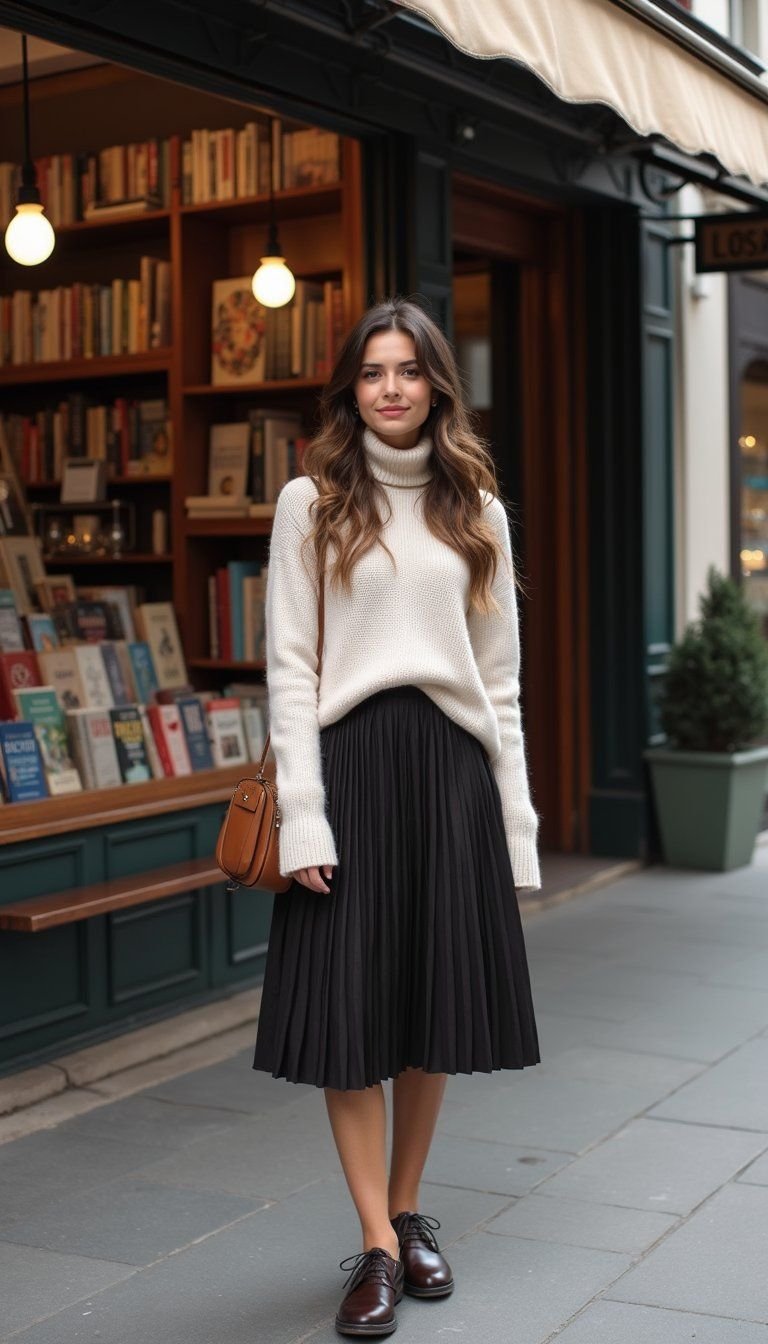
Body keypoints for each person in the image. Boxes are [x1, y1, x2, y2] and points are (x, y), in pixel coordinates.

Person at [253, 297, 541, 1337]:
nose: (389, 389)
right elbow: (290, 668)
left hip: (451, 776)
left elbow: (500, 683)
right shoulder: (312, 502)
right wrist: (305, 818)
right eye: (372, 372)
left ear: (435, 385)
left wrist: (516, 826)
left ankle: (409, 1210)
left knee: (430, 1011)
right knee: (349, 1022)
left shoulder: (479, 512)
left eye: (408, 371)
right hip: (353, 768)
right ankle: (376, 1243)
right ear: (351, 388)